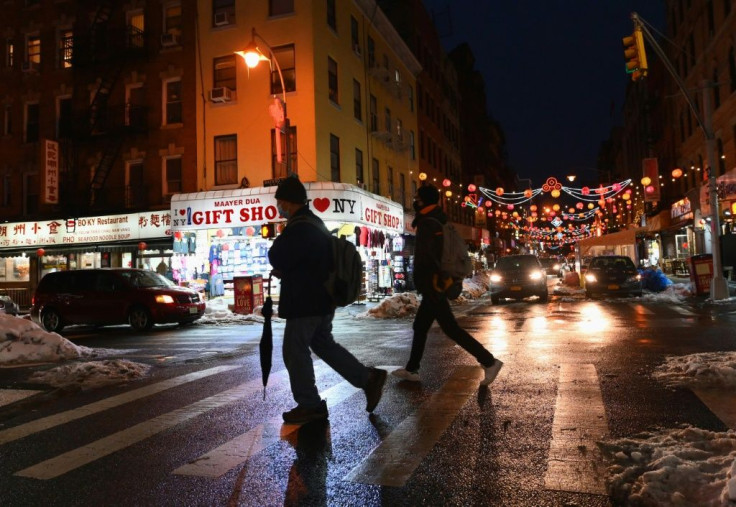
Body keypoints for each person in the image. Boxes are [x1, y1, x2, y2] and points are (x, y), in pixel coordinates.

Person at [269, 176, 387, 424]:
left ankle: (310, 404)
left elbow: (277, 255)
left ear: (288, 202)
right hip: (321, 299)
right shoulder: (315, 223)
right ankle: (368, 379)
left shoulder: (300, 227)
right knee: (323, 345)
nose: (278, 206)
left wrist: (282, 255)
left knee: (294, 350)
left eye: (280, 200)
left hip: (305, 301)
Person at [393, 184, 503, 386]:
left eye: (417, 199)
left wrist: (433, 282)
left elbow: (430, 256)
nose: (415, 202)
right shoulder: (438, 219)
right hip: (435, 284)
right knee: (420, 326)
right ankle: (412, 369)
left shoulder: (428, 223)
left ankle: (489, 362)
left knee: (451, 329)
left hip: (434, 285)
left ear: (424, 201)